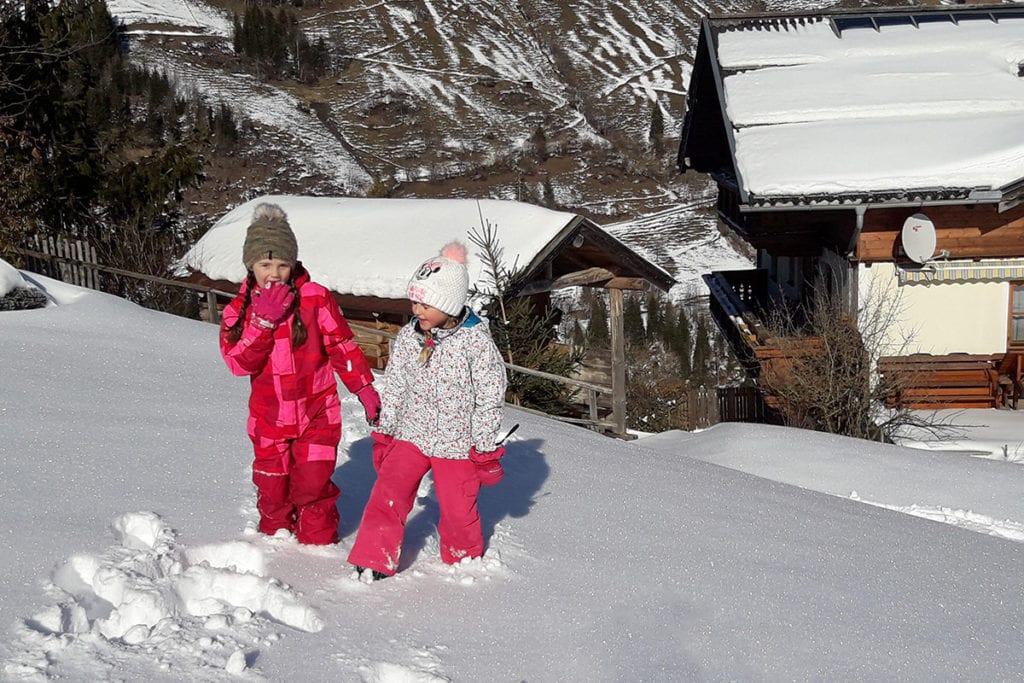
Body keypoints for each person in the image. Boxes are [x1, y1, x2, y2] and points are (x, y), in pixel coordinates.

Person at [219, 202, 381, 545]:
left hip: (317, 414)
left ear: (293, 264)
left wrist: (363, 388)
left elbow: (342, 346)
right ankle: (275, 544)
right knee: (272, 486)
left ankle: (317, 546)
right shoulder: (239, 310)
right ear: (251, 265)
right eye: (265, 264)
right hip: (269, 419)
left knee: (313, 484)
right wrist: (262, 323)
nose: (274, 273)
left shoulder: (315, 299)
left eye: (282, 264)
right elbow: (237, 363)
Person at [348, 241, 508, 580]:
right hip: (412, 434)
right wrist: (386, 433)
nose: (417, 310)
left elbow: (489, 395)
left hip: (457, 443)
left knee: (457, 507)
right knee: (387, 494)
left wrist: (483, 447)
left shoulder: (476, 343)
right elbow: (396, 386)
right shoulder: (410, 338)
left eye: (426, 303)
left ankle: (463, 560)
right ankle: (373, 556)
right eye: (414, 301)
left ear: (448, 305)